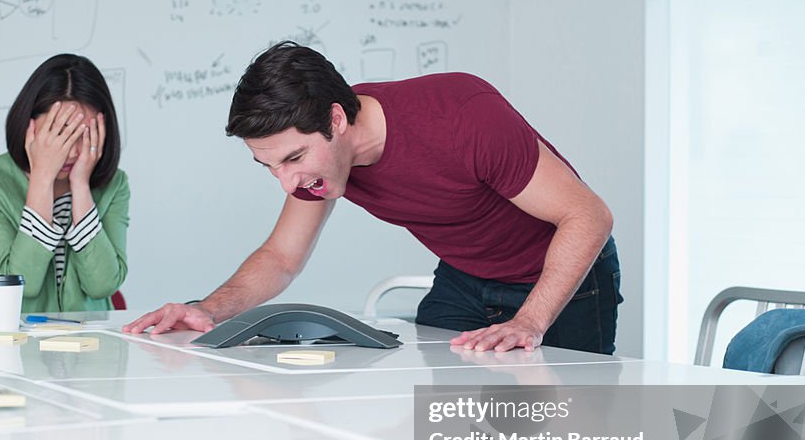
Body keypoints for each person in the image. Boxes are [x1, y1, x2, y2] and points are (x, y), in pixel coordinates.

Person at [124, 41, 621, 354]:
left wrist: (531, 321)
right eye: (269, 166)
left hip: (563, 275)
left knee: (567, 434)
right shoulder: (319, 167)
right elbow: (280, 257)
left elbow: (588, 216)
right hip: (467, 276)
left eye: (294, 158)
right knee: (452, 426)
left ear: (337, 120)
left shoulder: (462, 116)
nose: (287, 183)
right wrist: (208, 310)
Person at [0, 54, 129, 314]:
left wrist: (81, 186)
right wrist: (42, 179)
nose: (72, 153)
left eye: (84, 135)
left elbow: (102, 285)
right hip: (14, 346)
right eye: (60, 133)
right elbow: (18, 287)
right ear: (30, 126)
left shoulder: (115, 184)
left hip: (92, 348)